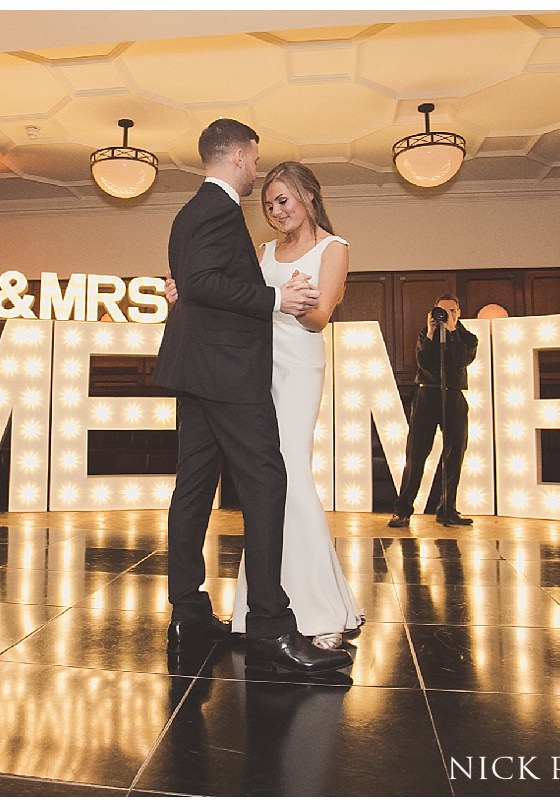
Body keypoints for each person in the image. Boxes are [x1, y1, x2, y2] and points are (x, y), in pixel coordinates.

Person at [152, 119, 350, 675]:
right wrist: (272, 297)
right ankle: (270, 625)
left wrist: (188, 292)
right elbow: (204, 284)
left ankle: (188, 611)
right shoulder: (218, 210)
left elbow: (193, 284)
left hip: (196, 371)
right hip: (230, 373)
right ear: (238, 156)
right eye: (255, 161)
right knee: (267, 483)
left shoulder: (186, 211)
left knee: (193, 490)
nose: (256, 171)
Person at [387, 294, 479, 528]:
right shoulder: (425, 334)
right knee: (416, 454)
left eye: (451, 311)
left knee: (454, 455)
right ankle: (403, 510)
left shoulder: (468, 338)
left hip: (453, 396)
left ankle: (447, 510)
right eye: (442, 310)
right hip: (427, 395)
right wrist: (430, 333)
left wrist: (451, 331)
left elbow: (461, 360)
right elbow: (424, 362)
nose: (447, 315)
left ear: (458, 312)